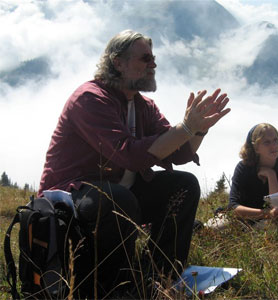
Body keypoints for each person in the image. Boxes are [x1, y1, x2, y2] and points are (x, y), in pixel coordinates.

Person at [38, 29, 230, 298]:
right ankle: (113, 286)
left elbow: (176, 152)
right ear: (118, 62)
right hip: (70, 195)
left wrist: (198, 130)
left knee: (184, 184)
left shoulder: (143, 105)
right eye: (145, 58)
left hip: (117, 193)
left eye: (153, 58)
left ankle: (159, 275)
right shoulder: (90, 98)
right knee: (117, 198)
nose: (153, 64)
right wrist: (185, 127)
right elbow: (127, 154)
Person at [205, 123, 278, 236]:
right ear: (256, 148)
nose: (274, 146)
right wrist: (266, 213)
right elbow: (234, 207)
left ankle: (245, 236)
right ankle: (248, 235)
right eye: (267, 142)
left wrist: (271, 175)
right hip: (241, 218)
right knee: (215, 228)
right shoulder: (243, 168)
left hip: (269, 220)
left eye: (275, 140)